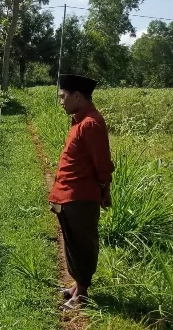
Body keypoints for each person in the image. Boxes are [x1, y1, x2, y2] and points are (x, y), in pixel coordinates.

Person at [49, 74, 115, 311]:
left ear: (78, 96)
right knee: (72, 242)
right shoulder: (79, 120)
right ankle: (77, 287)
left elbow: (103, 164)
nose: (61, 102)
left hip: (80, 196)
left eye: (64, 97)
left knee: (82, 244)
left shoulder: (91, 123)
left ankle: (82, 295)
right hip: (68, 194)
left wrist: (104, 190)